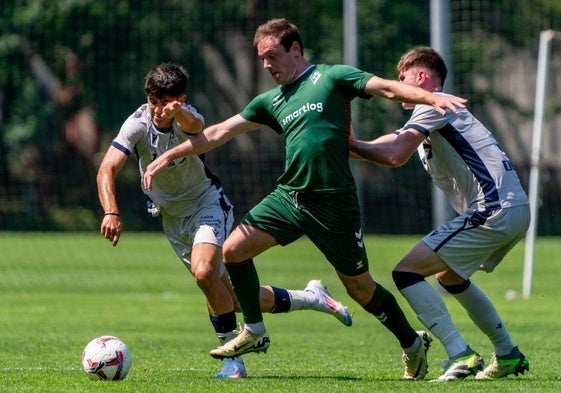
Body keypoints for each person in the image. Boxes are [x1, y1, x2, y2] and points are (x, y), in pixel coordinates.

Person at [143, 20, 466, 380]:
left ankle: (412, 344)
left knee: (360, 288)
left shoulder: (331, 77)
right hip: (290, 196)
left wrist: (431, 97)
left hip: (334, 203)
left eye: (272, 56)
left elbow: (388, 89)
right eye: (261, 58)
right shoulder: (271, 101)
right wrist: (170, 155)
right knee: (233, 251)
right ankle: (254, 330)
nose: (266, 65)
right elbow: (217, 132)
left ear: (295, 49)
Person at [96, 62, 353, 379]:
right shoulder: (136, 125)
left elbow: (193, 126)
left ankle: (234, 362)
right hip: (173, 220)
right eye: (155, 104)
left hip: (207, 204)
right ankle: (313, 298)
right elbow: (106, 168)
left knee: (204, 273)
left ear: (181, 98)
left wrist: (178, 112)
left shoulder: (188, 117)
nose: (160, 111)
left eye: (168, 104)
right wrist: (111, 211)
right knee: (233, 297)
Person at [348, 47, 530, 381]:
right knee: (450, 277)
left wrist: (349, 145)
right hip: (512, 208)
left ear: (420, 78)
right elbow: (391, 142)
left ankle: (460, 353)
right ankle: (507, 354)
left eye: (402, 79)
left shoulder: (435, 104)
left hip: (493, 209)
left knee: (406, 273)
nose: (399, 87)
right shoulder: (429, 113)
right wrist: (350, 146)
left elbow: (394, 156)